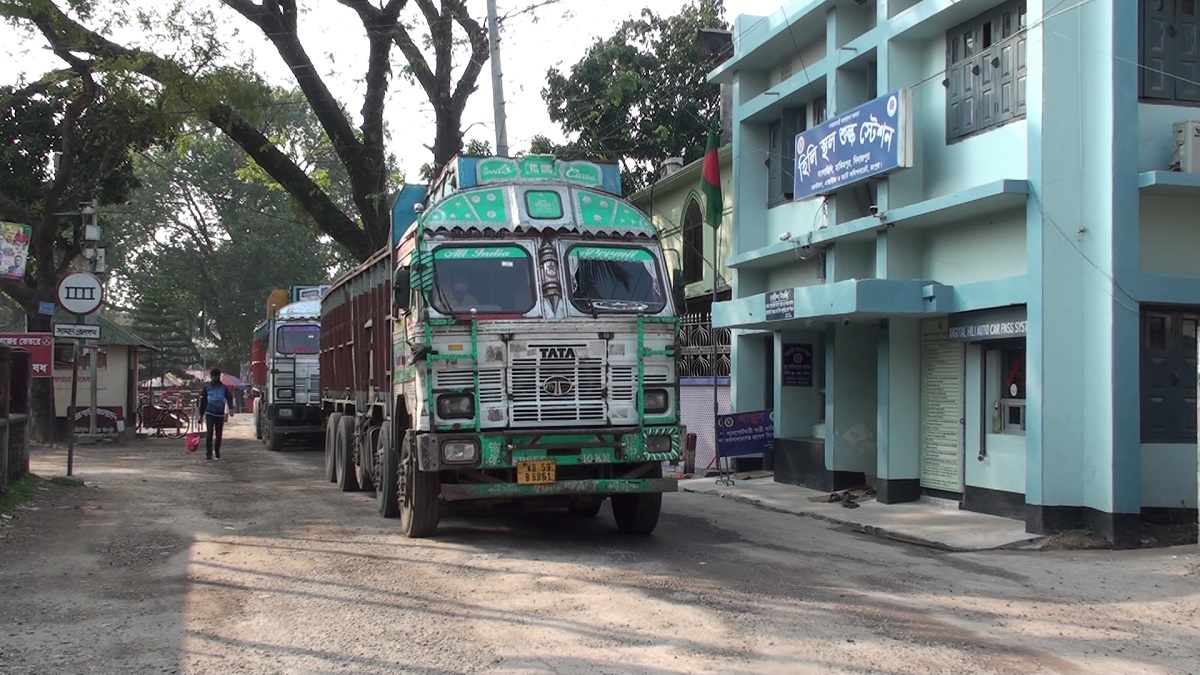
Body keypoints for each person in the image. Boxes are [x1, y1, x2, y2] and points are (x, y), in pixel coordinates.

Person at [197, 368, 234, 462]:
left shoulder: (224, 388)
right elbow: (203, 402)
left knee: (218, 434)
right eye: (214, 376)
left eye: (217, 376)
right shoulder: (207, 387)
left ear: (219, 376)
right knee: (209, 434)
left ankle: (217, 453)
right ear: (212, 377)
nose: (216, 378)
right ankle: (208, 455)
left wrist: (231, 409)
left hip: (220, 414)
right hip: (209, 413)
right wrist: (201, 415)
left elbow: (229, 398)